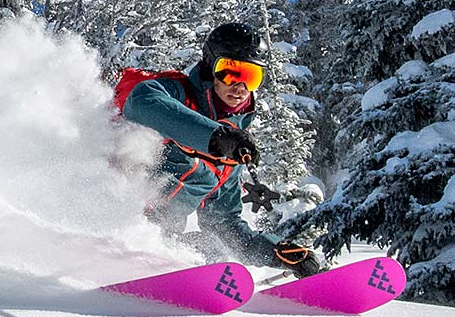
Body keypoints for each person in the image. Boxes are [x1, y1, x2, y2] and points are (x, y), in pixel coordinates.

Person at [120, 21, 325, 277]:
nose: (240, 87)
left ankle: (183, 285)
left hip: (153, 239)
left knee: (212, 251)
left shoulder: (230, 154)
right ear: (210, 67)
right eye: (230, 73)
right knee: (200, 245)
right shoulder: (178, 94)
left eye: (251, 77)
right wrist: (214, 136)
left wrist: (277, 253)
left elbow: (225, 223)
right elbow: (140, 103)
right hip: (114, 212)